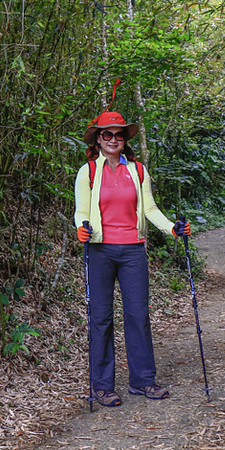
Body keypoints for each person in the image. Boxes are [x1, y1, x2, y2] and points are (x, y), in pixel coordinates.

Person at [73, 111, 190, 407]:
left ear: (125, 140)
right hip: (100, 250)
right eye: (107, 134)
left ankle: (143, 381)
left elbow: (149, 209)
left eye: (119, 135)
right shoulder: (88, 172)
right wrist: (81, 228)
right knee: (100, 318)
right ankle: (102, 386)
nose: (113, 140)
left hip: (133, 252)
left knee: (138, 316)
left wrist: (172, 229)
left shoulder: (137, 170)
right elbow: (81, 211)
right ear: (98, 139)